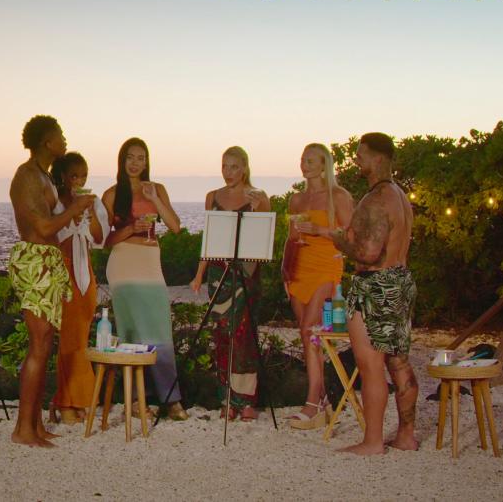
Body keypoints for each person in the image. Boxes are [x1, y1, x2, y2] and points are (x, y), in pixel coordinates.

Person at [8, 115, 95, 447]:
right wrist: (74, 210)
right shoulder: (26, 176)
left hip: (48, 261)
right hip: (33, 261)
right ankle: (22, 430)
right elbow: (42, 229)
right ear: (47, 141)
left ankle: (36, 423)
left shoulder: (44, 177)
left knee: (45, 346)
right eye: (60, 135)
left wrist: (77, 207)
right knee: (39, 344)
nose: (65, 140)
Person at [330, 132, 418, 454]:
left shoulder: (377, 199)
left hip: (375, 286)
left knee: (370, 366)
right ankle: (406, 437)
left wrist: (337, 238)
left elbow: (368, 251)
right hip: (399, 280)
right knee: (399, 363)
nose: (356, 160)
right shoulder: (400, 196)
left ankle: (372, 441)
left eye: (361, 154)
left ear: (377, 158)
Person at [102, 138, 189, 421]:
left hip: (151, 262)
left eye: (141, 158)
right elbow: (104, 240)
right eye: (130, 157)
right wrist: (129, 229)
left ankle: (170, 398)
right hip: (123, 263)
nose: (135, 163)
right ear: (122, 160)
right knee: (131, 331)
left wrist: (153, 199)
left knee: (160, 329)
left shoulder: (158, 189)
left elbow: (175, 227)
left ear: (147, 162)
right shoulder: (112, 194)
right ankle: (137, 401)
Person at [191, 146, 270, 421]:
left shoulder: (259, 197)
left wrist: (259, 211)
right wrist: (199, 273)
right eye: (224, 166)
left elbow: (262, 239)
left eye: (234, 167)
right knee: (222, 335)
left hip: (246, 273)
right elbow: (208, 238)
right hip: (218, 274)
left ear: (245, 167)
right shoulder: (212, 197)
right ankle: (226, 398)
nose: (228, 172)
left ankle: (247, 399)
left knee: (245, 335)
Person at [282, 143, 354, 430]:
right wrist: (285, 273)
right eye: (303, 159)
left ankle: (312, 402)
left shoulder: (339, 196)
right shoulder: (296, 200)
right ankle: (322, 398)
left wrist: (321, 231)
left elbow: (351, 234)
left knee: (309, 329)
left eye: (311, 159)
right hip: (300, 268)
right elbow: (290, 239)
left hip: (326, 265)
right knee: (310, 338)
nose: (305, 163)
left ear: (325, 164)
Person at [49, 152, 109, 425]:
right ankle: (69, 401)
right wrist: (72, 211)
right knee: (70, 339)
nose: (80, 180)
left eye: (84, 175)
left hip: (86, 274)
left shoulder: (92, 203)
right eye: (75, 176)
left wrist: (87, 213)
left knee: (82, 337)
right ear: (62, 177)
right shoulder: (54, 203)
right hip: (63, 272)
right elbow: (48, 235)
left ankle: (74, 400)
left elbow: (99, 238)